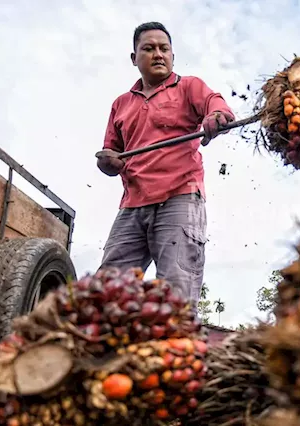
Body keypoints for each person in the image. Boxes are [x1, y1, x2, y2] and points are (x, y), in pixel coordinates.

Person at [95, 22, 235, 316]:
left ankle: (175, 357)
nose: (158, 54)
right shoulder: (120, 104)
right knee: (105, 294)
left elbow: (215, 104)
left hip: (180, 198)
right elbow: (112, 154)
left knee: (174, 298)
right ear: (134, 58)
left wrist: (217, 116)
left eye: (164, 49)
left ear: (172, 55)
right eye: (149, 49)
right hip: (132, 206)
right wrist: (108, 161)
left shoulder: (189, 87)